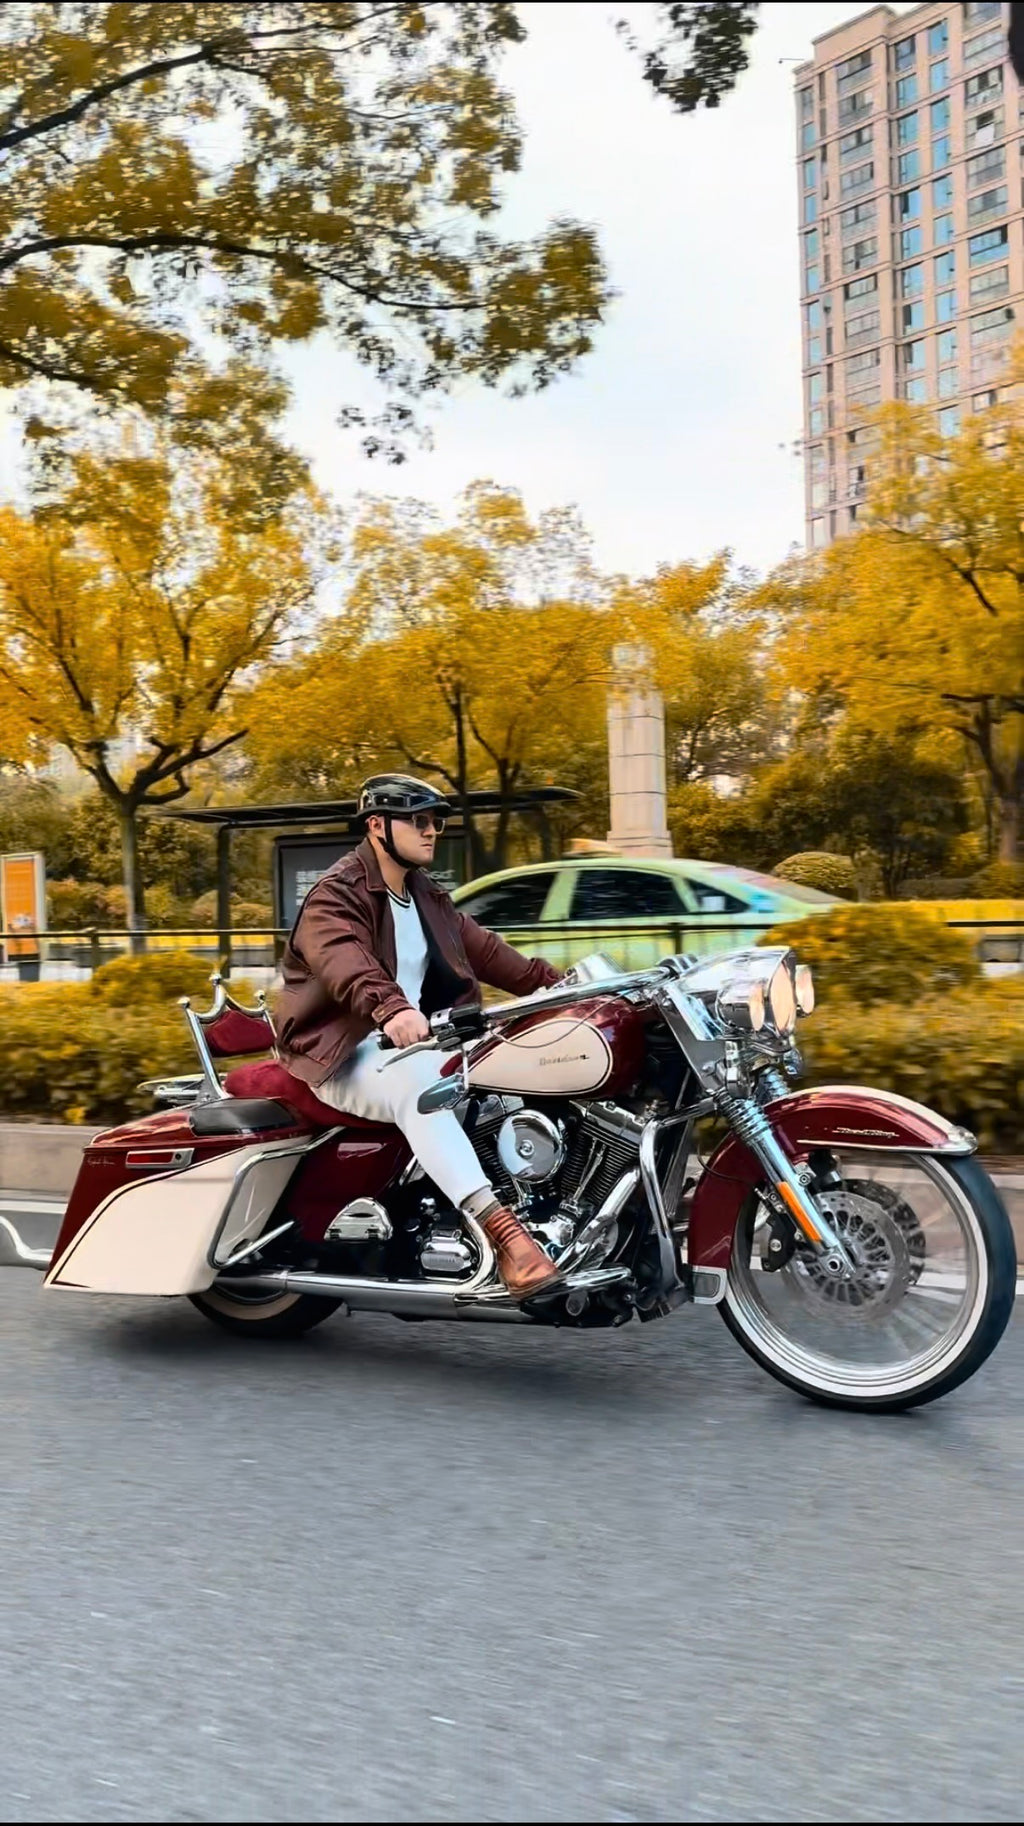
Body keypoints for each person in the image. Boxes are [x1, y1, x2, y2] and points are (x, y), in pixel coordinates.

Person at [275, 774, 564, 1300]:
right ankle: (505, 1237)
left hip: (414, 1041)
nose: (432, 831)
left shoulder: (425, 896)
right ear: (378, 825)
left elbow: (490, 952)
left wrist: (558, 985)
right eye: (419, 820)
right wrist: (391, 1008)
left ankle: (545, 1203)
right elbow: (345, 960)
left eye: (436, 821)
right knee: (424, 1090)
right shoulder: (335, 894)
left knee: (520, 1067)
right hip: (343, 1052)